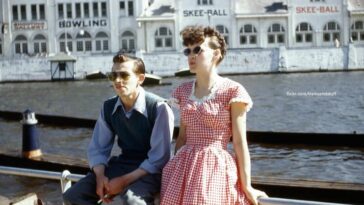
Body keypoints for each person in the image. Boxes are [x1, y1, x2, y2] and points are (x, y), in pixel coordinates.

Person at [161, 26, 267, 205]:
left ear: (216, 54)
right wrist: (174, 171)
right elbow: (182, 137)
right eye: (188, 50)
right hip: (183, 167)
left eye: (197, 50)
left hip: (214, 166)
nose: (191, 55)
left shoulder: (233, 91)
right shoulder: (183, 91)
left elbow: (240, 143)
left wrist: (247, 185)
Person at [63, 54, 174, 205]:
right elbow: (98, 148)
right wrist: (100, 177)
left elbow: (159, 158)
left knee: (132, 200)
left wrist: (123, 181)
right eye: (113, 75)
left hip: (153, 170)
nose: (117, 80)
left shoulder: (159, 108)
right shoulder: (108, 107)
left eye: (124, 75)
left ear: (140, 79)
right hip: (125, 163)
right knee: (73, 196)